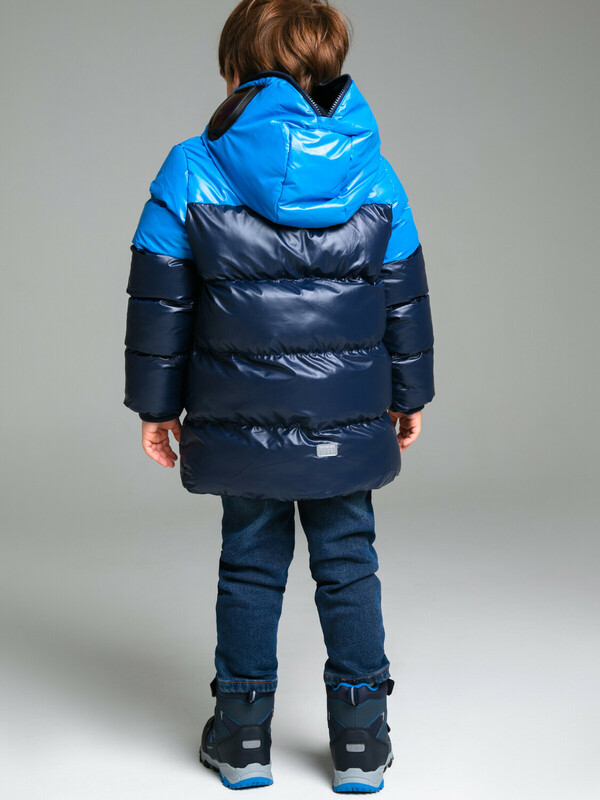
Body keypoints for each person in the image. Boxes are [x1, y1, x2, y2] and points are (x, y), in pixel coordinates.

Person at [123, 0, 434, 791]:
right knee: (349, 562)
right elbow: (404, 296)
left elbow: (160, 303)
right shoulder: (376, 172)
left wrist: (157, 407)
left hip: (240, 424)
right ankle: (361, 739)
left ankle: (241, 737)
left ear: (235, 71)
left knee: (250, 564)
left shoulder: (190, 168)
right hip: (346, 423)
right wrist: (410, 393)